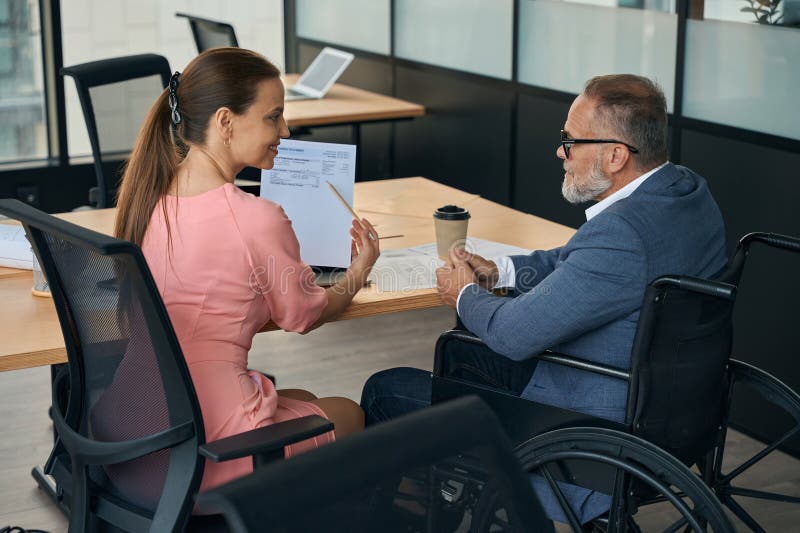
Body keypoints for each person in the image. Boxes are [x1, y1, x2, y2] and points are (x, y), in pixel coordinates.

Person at [360, 74, 727, 520]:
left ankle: (418, 517)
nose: (560, 152)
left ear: (615, 156)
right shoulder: (684, 191)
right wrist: (505, 270)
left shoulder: (622, 233)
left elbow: (514, 334)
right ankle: (455, 498)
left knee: (386, 388)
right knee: (465, 359)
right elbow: (581, 258)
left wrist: (464, 294)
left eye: (570, 141)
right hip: (677, 407)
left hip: (586, 423)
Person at [110, 47, 379, 494]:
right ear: (225, 121)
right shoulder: (256, 217)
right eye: (273, 117)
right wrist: (361, 267)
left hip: (135, 441)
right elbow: (302, 315)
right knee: (350, 412)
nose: (286, 130)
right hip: (205, 458)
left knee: (309, 402)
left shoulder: (148, 199)